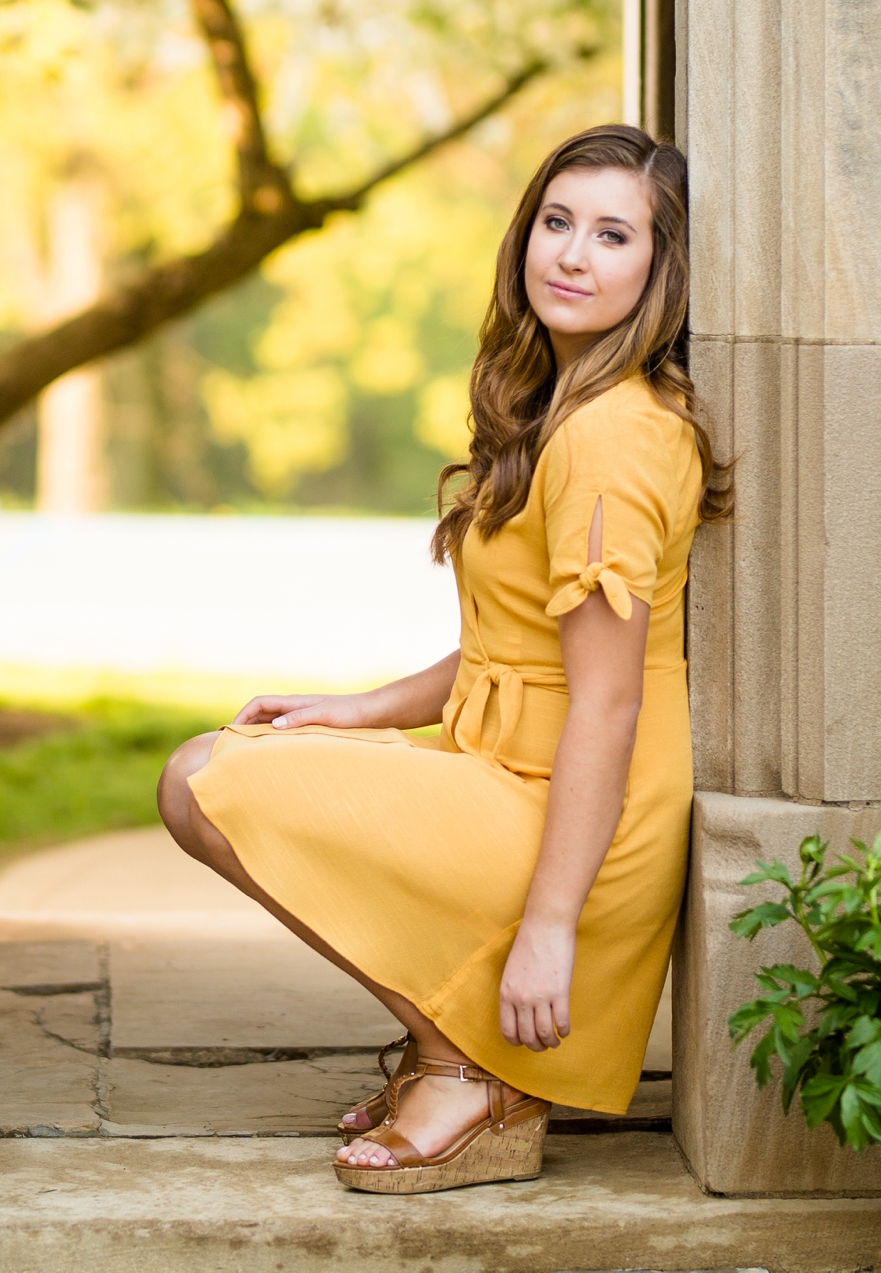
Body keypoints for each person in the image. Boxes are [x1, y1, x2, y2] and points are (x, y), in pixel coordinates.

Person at [156, 123, 733, 1194]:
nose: (570, 254)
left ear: (662, 271)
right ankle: (461, 1054)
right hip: (513, 771)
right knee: (217, 766)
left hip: (579, 810)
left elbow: (604, 706)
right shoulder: (563, 406)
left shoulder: (613, 438)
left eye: (613, 235)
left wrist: (551, 927)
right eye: (556, 222)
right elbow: (509, 646)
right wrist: (364, 707)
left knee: (202, 778)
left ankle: (464, 1068)